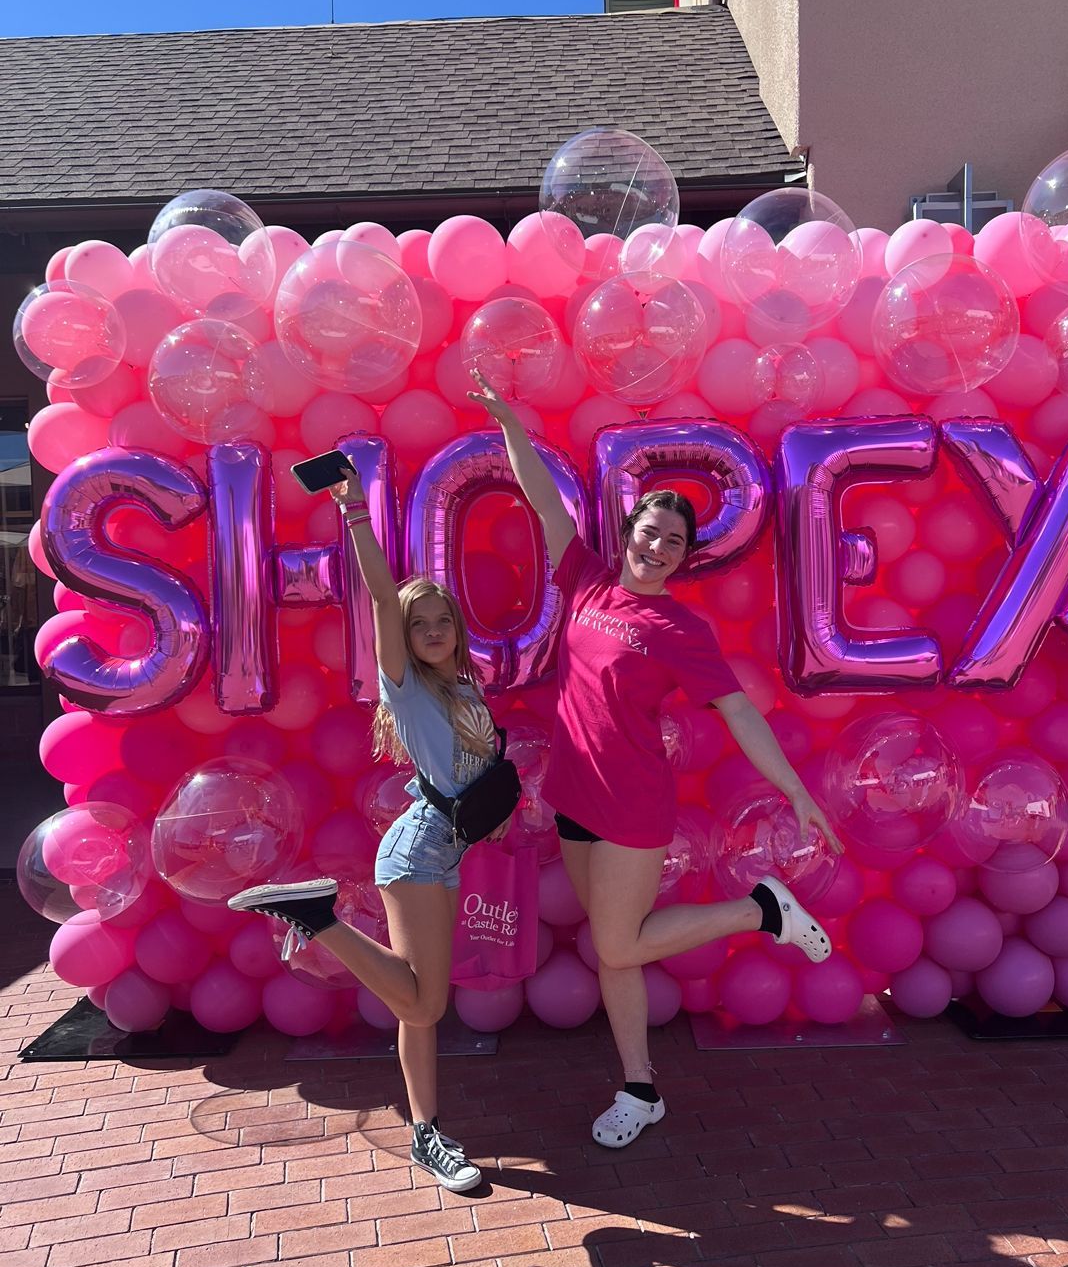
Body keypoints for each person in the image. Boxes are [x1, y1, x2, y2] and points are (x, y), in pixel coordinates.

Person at [469, 371, 843, 1150]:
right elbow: (542, 502)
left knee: (616, 944)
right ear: (630, 530)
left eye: (675, 541)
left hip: (634, 805)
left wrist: (796, 792)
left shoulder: (682, 632)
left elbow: (740, 713)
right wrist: (509, 421)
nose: (659, 545)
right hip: (571, 793)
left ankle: (761, 911)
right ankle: (640, 1088)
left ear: (683, 556)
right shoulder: (589, 581)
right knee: (619, 953)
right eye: (651, 531)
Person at [226, 463, 509, 1193]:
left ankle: (426, 1132)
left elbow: (467, 772)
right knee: (427, 1002)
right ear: (405, 641)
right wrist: (354, 507)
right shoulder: (407, 685)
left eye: (443, 619)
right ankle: (317, 919)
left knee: (419, 1007)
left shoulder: (462, 684)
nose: (434, 631)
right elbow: (384, 596)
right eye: (421, 626)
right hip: (416, 852)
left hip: (444, 852)